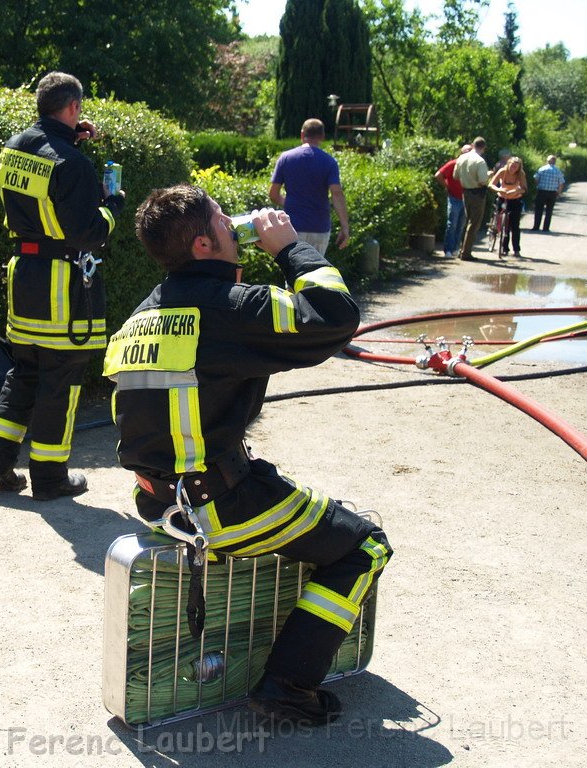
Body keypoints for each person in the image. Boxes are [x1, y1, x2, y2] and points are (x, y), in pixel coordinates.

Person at [104, 184, 392, 725]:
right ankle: (288, 685)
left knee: (301, 513)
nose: (232, 221)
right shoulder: (229, 309)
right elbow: (333, 315)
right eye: (221, 217)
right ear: (203, 244)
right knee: (364, 546)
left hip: (161, 503)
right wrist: (289, 248)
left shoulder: (141, 315)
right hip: (220, 507)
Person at [0, 71, 125, 501]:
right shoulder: (73, 163)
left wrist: (71, 139)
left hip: (24, 277)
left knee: (23, 372)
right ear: (74, 106)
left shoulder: (16, 145)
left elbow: (45, 184)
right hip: (62, 284)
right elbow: (87, 232)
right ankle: (49, 477)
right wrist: (112, 206)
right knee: (60, 381)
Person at [268, 118, 349, 255]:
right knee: (316, 273)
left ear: (302, 134)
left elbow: (273, 194)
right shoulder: (329, 162)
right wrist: (345, 227)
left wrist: (290, 203)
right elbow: (337, 194)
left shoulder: (285, 158)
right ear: (322, 136)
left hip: (292, 227)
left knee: (293, 272)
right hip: (320, 227)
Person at [435, 144, 473, 259]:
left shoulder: (473, 165)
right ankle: (448, 250)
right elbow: (438, 175)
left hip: (466, 198)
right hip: (454, 197)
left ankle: (456, 248)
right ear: (461, 153)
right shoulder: (453, 163)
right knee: (452, 223)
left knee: (461, 225)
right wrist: (447, 186)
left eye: (470, 152)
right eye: (466, 151)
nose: (468, 153)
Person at [455, 136, 490, 261]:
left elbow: (455, 176)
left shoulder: (461, 158)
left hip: (465, 192)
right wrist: (488, 176)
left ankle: (460, 249)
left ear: (473, 145)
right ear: (484, 148)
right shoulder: (480, 161)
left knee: (466, 221)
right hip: (477, 193)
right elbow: (482, 181)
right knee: (474, 223)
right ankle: (466, 252)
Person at [488, 156, 528, 258]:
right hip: (502, 198)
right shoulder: (502, 171)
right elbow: (491, 184)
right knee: (503, 222)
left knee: (514, 225)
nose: (513, 168)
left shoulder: (521, 174)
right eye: (512, 165)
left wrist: (516, 190)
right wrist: (499, 190)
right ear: (508, 164)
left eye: (516, 167)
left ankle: (516, 249)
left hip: (515, 199)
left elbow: (524, 188)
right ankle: (504, 248)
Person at [532, 155, 565, 232]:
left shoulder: (542, 169)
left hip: (541, 191)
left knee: (538, 209)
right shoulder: (558, 171)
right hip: (552, 193)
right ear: (555, 161)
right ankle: (546, 228)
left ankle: (536, 226)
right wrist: (558, 192)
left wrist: (538, 185)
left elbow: (536, 178)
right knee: (549, 211)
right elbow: (561, 183)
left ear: (547, 161)